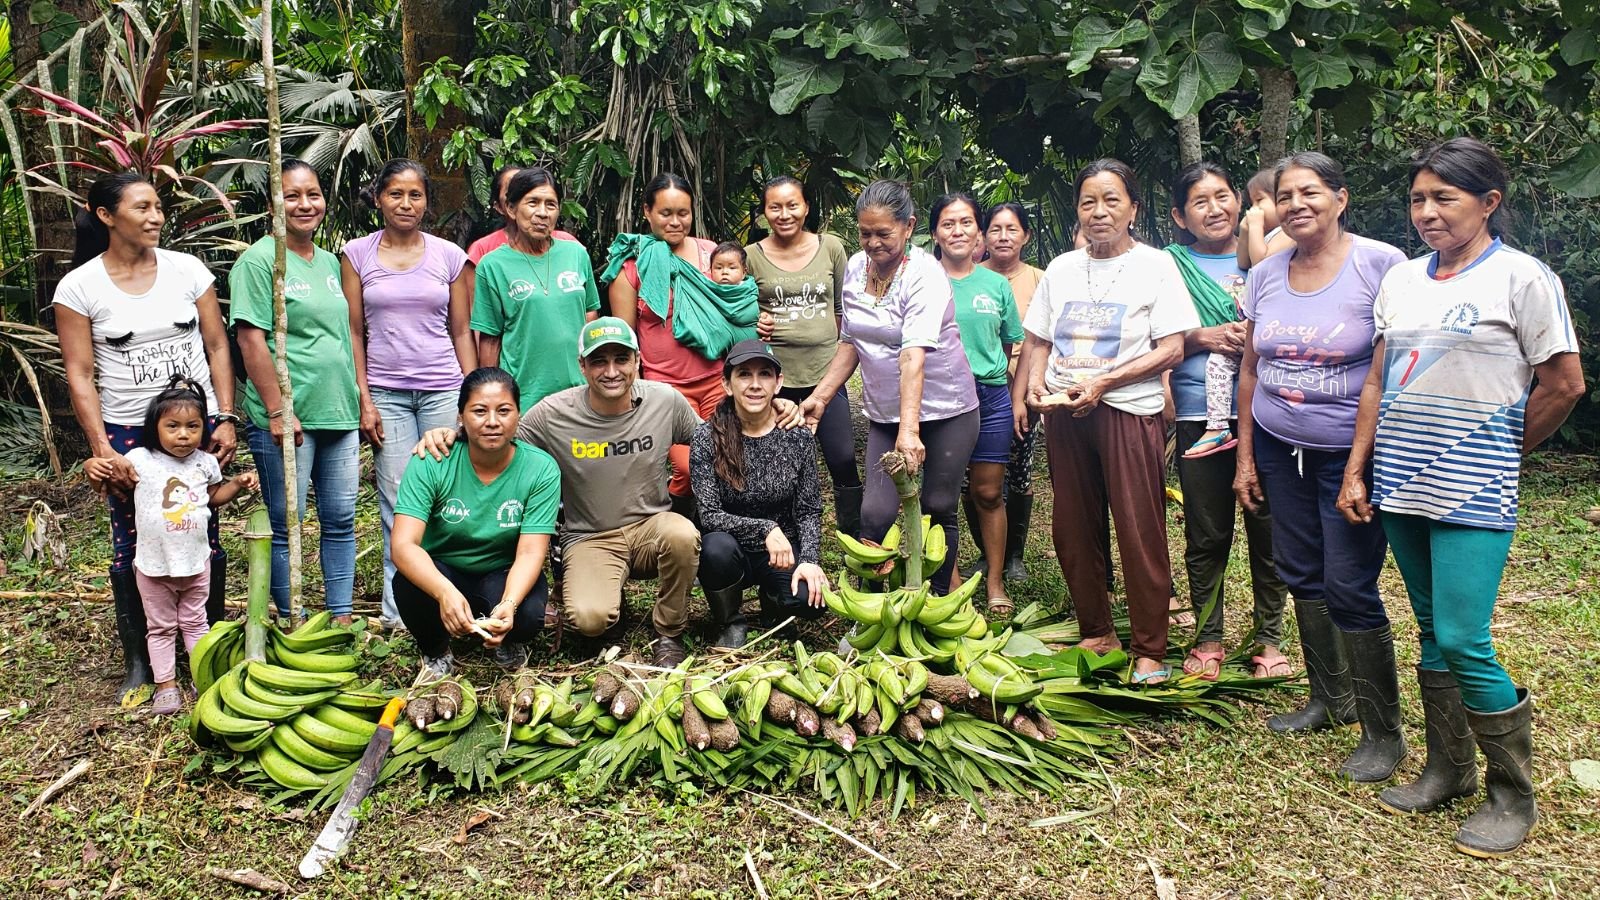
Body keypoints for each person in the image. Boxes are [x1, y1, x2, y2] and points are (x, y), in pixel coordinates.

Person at [1338, 138, 1584, 858]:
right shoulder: (1404, 281)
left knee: (1465, 639)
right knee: (1429, 631)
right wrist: (1359, 471)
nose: (1427, 212)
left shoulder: (1522, 279)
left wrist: (1501, 457)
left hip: (1474, 493)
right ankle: (1448, 768)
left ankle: (1513, 797)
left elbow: (1564, 383)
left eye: (1444, 197)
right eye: (1418, 198)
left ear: (1489, 203)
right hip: (1402, 483)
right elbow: (1377, 382)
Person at [1233, 151, 1408, 781]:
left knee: (1350, 583)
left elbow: (1387, 373)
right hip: (1281, 446)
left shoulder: (1381, 265)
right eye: (1285, 195)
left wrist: (1360, 467)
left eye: (1310, 192)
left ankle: (1382, 732)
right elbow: (1251, 369)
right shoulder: (1266, 273)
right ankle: (1329, 699)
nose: (1297, 204)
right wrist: (1247, 457)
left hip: (1352, 453)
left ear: (1341, 198)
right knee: (1300, 570)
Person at [415, 317, 707, 669]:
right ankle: (610, 604)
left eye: (621, 359)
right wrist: (451, 433)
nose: (611, 371)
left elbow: (712, 441)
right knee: (589, 621)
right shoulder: (554, 414)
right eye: (599, 361)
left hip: (651, 527)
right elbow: (498, 431)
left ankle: (670, 633)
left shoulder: (664, 402)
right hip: (590, 536)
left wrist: (776, 412)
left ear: (637, 360)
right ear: (582, 366)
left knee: (682, 534)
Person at [54, 172, 240, 707]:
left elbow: (217, 346)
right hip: (126, 429)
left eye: (159, 207)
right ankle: (141, 657)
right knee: (131, 539)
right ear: (106, 215)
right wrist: (102, 448)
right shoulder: (81, 286)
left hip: (194, 425)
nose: (156, 216)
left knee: (201, 523)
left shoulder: (188, 270)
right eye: (142, 207)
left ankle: (205, 648)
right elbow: (81, 371)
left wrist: (223, 416)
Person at [1015, 159, 1197, 685]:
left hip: (1127, 409)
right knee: (1073, 527)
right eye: (1089, 201)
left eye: (1112, 200)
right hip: (1064, 411)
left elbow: (1171, 349)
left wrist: (1104, 384)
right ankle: (1096, 630)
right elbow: (1039, 338)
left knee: (1139, 527)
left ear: (1134, 209)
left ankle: (1149, 647)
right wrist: (1030, 388)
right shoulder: (1062, 267)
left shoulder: (1157, 265)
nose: (1099, 212)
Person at [801, 180, 979, 594]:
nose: (873, 242)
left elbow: (912, 355)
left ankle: (933, 603)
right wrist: (821, 397)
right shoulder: (856, 270)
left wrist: (910, 431)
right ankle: (871, 607)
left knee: (937, 508)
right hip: (885, 412)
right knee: (875, 513)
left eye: (883, 233)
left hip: (947, 409)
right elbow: (852, 342)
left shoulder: (924, 275)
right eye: (865, 233)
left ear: (909, 226)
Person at [1163, 162, 1290, 680]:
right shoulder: (1167, 266)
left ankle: (1269, 639)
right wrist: (1202, 337)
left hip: (1272, 416)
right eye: (1199, 201)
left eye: (1222, 197)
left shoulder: (1279, 253)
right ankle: (1208, 637)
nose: (1214, 209)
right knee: (1207, 531)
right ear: (1179, 216)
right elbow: (1151, 334)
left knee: (1269, 530)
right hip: (1200, 414)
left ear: (1242, 203)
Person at [343, 158, 476, 630]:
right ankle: (399, 613)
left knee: (444, 495)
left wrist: (470, 401)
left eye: (415, 195)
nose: (405, 203)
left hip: (443, 387)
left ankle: (448, 599)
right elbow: (355, 332)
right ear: (378, 198)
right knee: (398, 500)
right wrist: (365, 398)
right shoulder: (356, 254)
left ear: (427, 201)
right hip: (387, 393)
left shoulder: (449, 256)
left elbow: (462, 332)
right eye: (395, 193)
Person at [231, 159, 361, 623]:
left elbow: (345, 335)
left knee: (341, 520)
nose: (305, 204)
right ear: (273, 204)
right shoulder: (260, 260)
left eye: (313, 194)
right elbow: (250, 338)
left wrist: (359, 401)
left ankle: (341, 617)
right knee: (289, 526)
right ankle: (293, 618)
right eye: (292, 195)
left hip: (339, 413)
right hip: (288, 417)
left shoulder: (329, 262)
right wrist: (277, 409)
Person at [84, 379, 256, 714]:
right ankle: (165, 685)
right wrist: (91, 464)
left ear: (202, 429)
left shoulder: (205, 463)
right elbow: (101, 477)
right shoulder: (137, 459)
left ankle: (201, 678)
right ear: (155, 427)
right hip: (153, 565)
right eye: (172, 426)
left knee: (196, 624)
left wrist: (236, 483)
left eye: (192, 426)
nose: (183, 435)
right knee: (160, 628)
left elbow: (212, 498)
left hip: (196, 562)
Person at [603, 173, 758, 514]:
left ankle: (718, 541)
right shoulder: (630, 268)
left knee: (729, 461)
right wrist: (633, 394)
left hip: (718, 381)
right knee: (688, 469)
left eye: (683, 213)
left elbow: (736, 306)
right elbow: (626, 342)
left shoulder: (710, 255)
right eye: (666, 213)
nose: (676, 222)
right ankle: (678, 529)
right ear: (647, 212)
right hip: (667, 391)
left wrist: (759, 322)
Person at [392, 368, 561, 676]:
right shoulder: (432, 461)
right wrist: (443, 591)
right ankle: (436, 650)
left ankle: (508, 638)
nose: (492, 421)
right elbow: (404, 545)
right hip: (444, 568)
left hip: (501, 570)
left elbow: (530, 553)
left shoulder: (540, 469)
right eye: (479, 411)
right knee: (408, 585)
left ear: (518, 415)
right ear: (460, 416)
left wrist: (509, 603)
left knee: (529, 613)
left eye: (504, 410)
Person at [747, 176, 863, 537]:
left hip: (825, 375)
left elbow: (844, 309)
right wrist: (755, 321)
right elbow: (736, 310)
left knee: (842, 458)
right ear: (765, 212)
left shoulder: (831, 248)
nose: (784, 214)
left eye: (792, 205)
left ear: (806, 207)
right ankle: (784, 543)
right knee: (779, 465)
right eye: (774, 207)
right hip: (774, 380)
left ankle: (856, 541)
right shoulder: (751, 256)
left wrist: (838, 356)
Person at [693, 340, 828, 646]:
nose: (755, 385)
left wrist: (809, 559)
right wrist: (766, 528)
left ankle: (775, 610)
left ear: (778, 382)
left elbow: (808, 509)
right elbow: (709, 515)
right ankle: (730, 622)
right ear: (727, 384)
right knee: (714, 550)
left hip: (781, 553)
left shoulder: (797, 437)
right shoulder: (706, 437)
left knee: (811, 601)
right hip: (731, 549)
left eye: (764, 374)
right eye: (744, 375)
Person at [933, 192, 1023, 613]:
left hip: (990, 396)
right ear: (934, 232)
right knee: (942, 494)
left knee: (988, 492)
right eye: (948, 223)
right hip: (940, 398)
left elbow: (1008, 346)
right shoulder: (922, 279)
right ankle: (948, 576)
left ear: (979, 233)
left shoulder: (996, 284)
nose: (958, 231)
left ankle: (994, 579)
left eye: (966, 222)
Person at [470, 166, 601, 408]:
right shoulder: (492, 265)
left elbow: (590, 314)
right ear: (511, 208)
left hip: (579, 392)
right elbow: (490, 340)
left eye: (550, 205)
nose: (542, 213)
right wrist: (491, 398)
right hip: (524, 396)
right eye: (533, 203)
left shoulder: (576, 254)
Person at [982, 202, 1045, 581]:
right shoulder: (967, 275)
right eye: (995, 229)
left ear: (1026, 236)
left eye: (1012, 229)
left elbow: (1042, 341)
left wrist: (1021, 395)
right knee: (977, 476)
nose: (1003, 237)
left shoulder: (1040, 279)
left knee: (1019, 471)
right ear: (983, 235)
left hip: (1023, 384)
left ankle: (1014, 556)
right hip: (979, 389)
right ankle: (988, 553)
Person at [465, 164, 581, 267]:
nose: (542, 212)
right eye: (511, 191)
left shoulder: (570, 246)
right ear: (504, 206)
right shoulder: (484, 251)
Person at [1237, 167, 1295, 270]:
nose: (1254, 208)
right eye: (1252, 203)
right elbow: (1243, 264)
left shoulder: (1287, 233)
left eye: (1259, 200)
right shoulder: (1262, 235)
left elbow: (1261, 264)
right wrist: (1244, 231)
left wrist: (1256, 226)